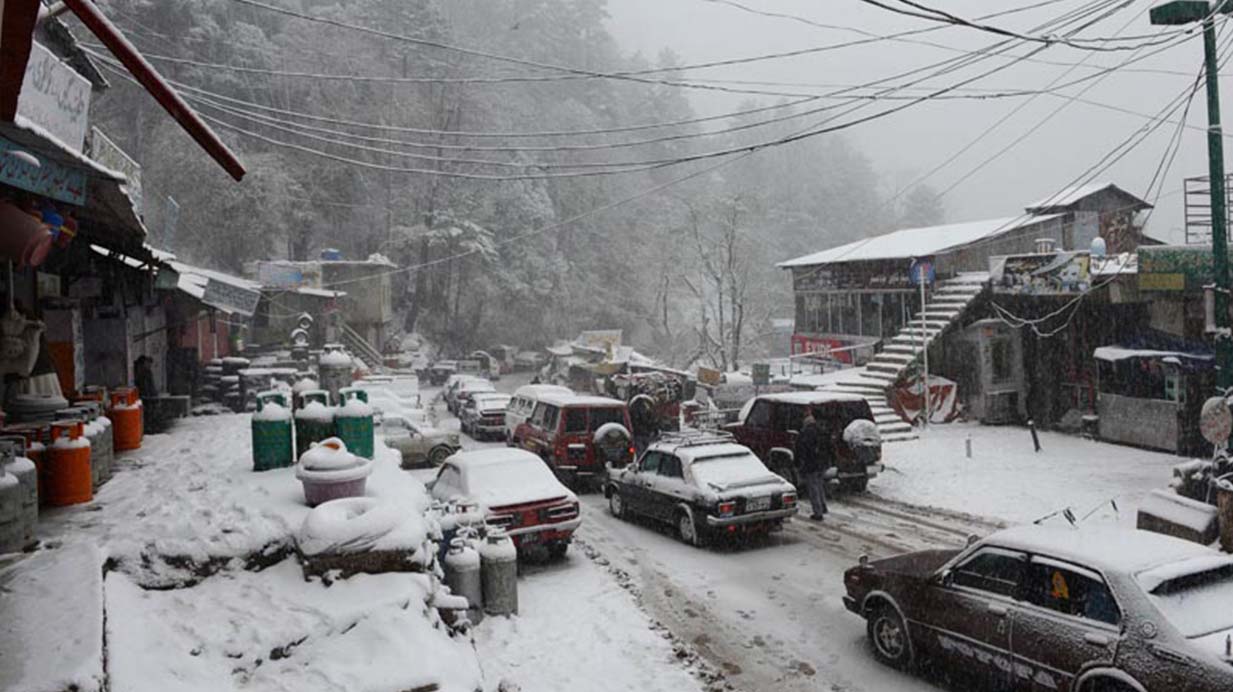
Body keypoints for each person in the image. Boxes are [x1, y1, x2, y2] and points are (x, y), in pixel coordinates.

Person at [794, 411, 828, 521]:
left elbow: (801, 450)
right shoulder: (820, 430)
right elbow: (828, 445)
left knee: (813, 489)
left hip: (811, 464)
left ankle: (818, 513)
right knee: (819, 486)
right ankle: (823, 507)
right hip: (821, 463)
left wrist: (798, 463)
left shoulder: (805, 433)